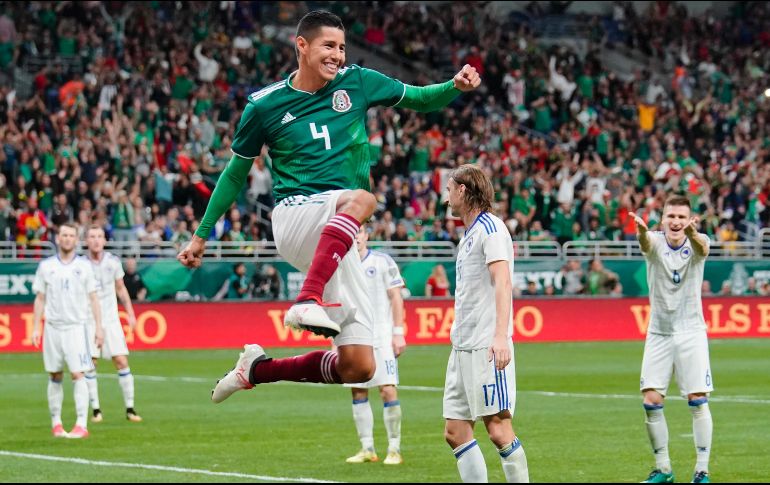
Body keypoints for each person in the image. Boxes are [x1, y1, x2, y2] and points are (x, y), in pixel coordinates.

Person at [177, 10, 479, 399]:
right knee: (365, 198)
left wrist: (454, 85)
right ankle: (306, 299)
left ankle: (256, 369)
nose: (338, 55)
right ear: (301, 46)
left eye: (341, 47)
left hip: (339, 238)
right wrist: (201, 235)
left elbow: (419, 99)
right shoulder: (264, 105)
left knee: (359, 366)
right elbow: (234, 174)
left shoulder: (358, 82)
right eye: (328, 46)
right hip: (295, 215)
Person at [442, 164, 529, 483]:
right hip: (462, 347)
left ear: (463, 190)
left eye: (449, 190)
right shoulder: (470, 234)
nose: (446, 198)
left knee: (498, 429)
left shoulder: (491, 228)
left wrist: (501, 337)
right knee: (455, 431)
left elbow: (503, 282)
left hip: (486, 347)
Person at [630, 196, 713, 484]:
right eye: (671, 217)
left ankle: (702, 470)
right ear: (663, 219)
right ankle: (664, 469)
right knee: (651, 400)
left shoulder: (699, 240)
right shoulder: (653, 241)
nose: (676, 222)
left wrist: (692, 232)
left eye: (681, 217)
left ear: (689, 219)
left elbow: (702, 248)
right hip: (659, 332)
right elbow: (645, 244)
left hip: (691, 331)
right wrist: (641, 231)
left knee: (698, 399)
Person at [31, 222, 103, 439]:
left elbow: (93, 298)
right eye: (64, 234)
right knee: (54, 374)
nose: (67, 238)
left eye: (71, 235)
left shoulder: (84, 267)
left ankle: (81, 424)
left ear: (76, 239)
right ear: (58, 238)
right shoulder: (46, 266)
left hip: (77, 327)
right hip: (53, 327)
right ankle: (56, 423)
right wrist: (36, 327)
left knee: (78, 373)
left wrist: (99, 327)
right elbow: (40, 298)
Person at [345, 226, 406, 466]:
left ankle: (394, 448)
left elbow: (396, 297)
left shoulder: (383, 261)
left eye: (359, 232)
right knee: (358, 390)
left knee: (387, 389)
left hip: (381, 336)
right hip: (354, 337)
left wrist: (398, 333)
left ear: (366, 236)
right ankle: (367, 447)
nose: (355, 237)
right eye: (351, 233)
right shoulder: (342, 266)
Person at [83, 225, 142, 424]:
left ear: (104, 240)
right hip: (88, 320)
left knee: (122, 361)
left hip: (111, 319)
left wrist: (130, 313)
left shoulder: (113, 262)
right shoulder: (80, 265)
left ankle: (130, 408)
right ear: (86, 240)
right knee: (90, 364)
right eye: (92, 236)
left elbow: (121, 289)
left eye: (99, 236)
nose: (96, 240)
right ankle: (96, 410)